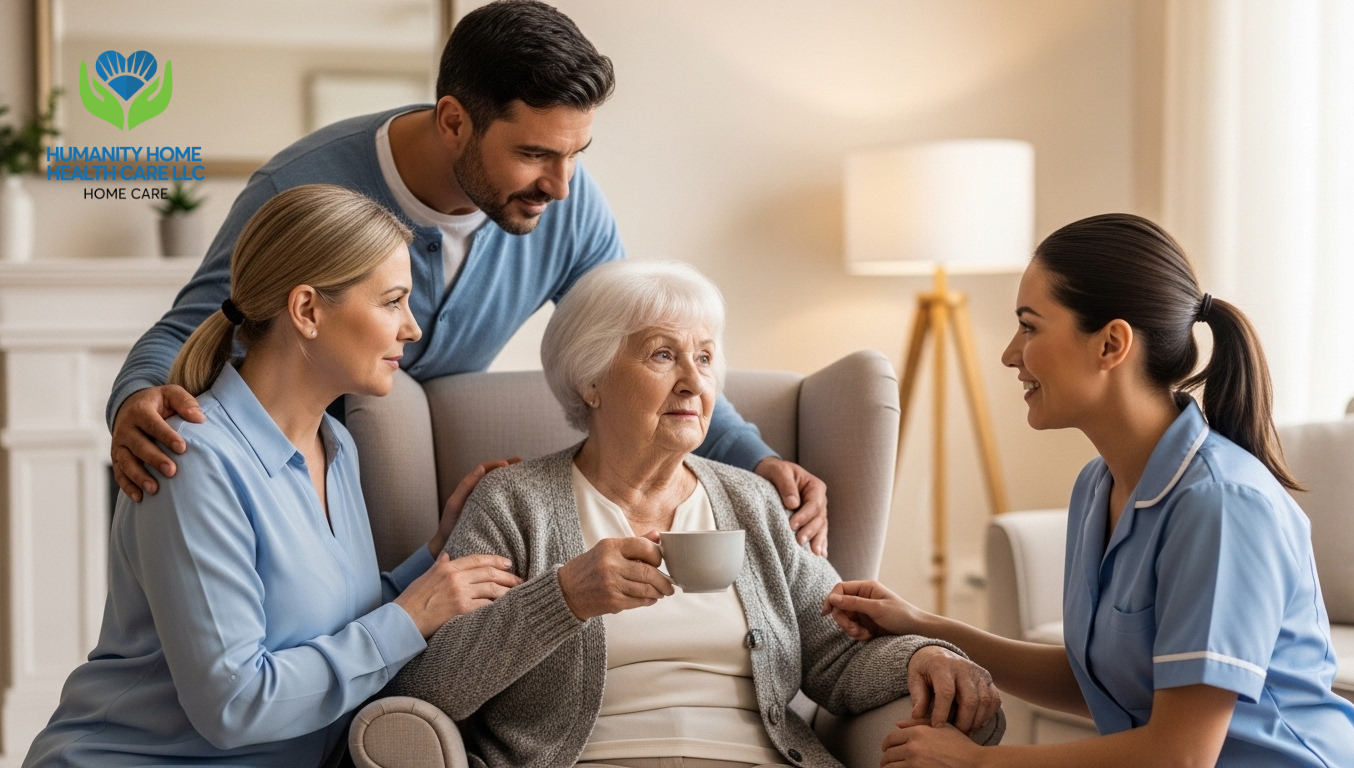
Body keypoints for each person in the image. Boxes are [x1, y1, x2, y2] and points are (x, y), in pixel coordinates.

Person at [105, 0, 830, 554]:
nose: (561, 187)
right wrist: (136, 399)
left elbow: (643, 343)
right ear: (453, 121)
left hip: (406, 494)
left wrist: (758, 459)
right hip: (282, 489)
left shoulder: (568, 208)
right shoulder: (304, 187)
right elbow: (192, 327)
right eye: (535, 154)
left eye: (576, 154)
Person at [386, 260, 1004, 768]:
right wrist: (563, 598)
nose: (693, 382)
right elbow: (431, 685)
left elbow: (836, 651)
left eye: (705, 358)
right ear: (590, 381)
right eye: (663, 355)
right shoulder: (514, 504)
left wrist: (923, 656)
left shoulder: (751, 500)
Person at [822, 214, 1354, 768]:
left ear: (1111, 344)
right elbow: (1098, 680)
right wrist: (921, 623)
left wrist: (978, 763)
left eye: (1029, 327)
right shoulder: (1098, 485)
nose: (1010, 354)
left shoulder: (1220, 505)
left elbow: (1180, 757)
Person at [24, 185, 525, 767]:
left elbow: (335, 625)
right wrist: (414, 616)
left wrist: (436, 555)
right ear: (307, 310)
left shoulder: (335, 445)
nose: (411, 328)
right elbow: (235, 704)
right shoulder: (194, 462)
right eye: (392, 302)